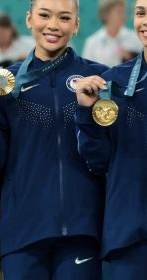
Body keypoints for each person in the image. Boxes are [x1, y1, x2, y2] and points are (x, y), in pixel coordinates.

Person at [0, 0, 109, 279]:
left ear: (77, 25)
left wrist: (86, 111)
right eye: (44, 15)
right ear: (30, 19)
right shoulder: (6, 84)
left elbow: (102, 158)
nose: (53, 25)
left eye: (64, 17)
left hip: (81, 231)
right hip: (23, 232)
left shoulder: (99, 78)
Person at [75, 0, 147, 278]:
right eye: (140, 13)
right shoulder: (113, 83)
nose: (144, 22)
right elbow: (97, 159)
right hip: (130, 234)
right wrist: (85, 112)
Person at [82, 0, 142, 67]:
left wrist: (132, 56)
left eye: (124, 12)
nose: (123, 16)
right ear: (106, 14)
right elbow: (86, 71)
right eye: (119, 12)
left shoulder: (136, 38)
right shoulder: (92, 43)